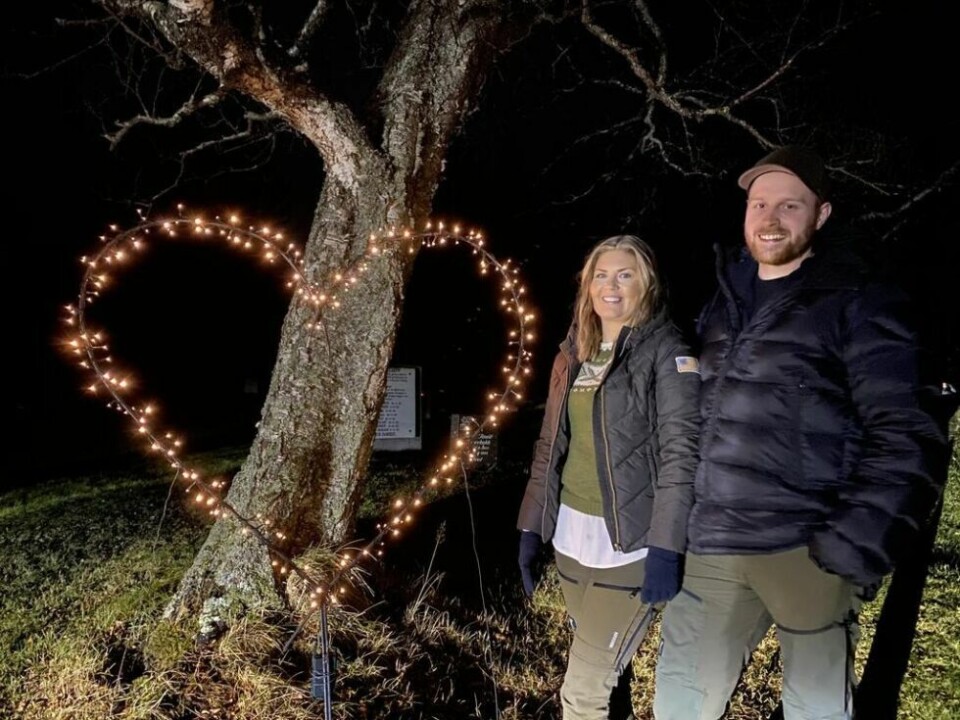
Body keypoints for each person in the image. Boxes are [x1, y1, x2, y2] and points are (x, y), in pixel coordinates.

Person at [652, 146, 946, 720]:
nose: (770, 218)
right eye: (759, 203)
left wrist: (852, 545)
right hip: (712, 548)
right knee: (677, 706)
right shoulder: (723, 300)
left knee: (816, 711)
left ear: (822, 214)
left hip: (806, 549)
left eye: (790, 204)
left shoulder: (860, 301)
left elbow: (908, 432)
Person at [517, 234, 701, 720]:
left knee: (582, 694)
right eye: (601, 275)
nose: (610, 286)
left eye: (625, 275)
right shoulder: (573, 352)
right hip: (573, 542)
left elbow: (682, 455)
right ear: (586, 285)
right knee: (609, 680)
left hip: (632, 547)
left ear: (648, 284)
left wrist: (666, 548)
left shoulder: (668, 352)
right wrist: (531, 527)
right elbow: (549, 445)